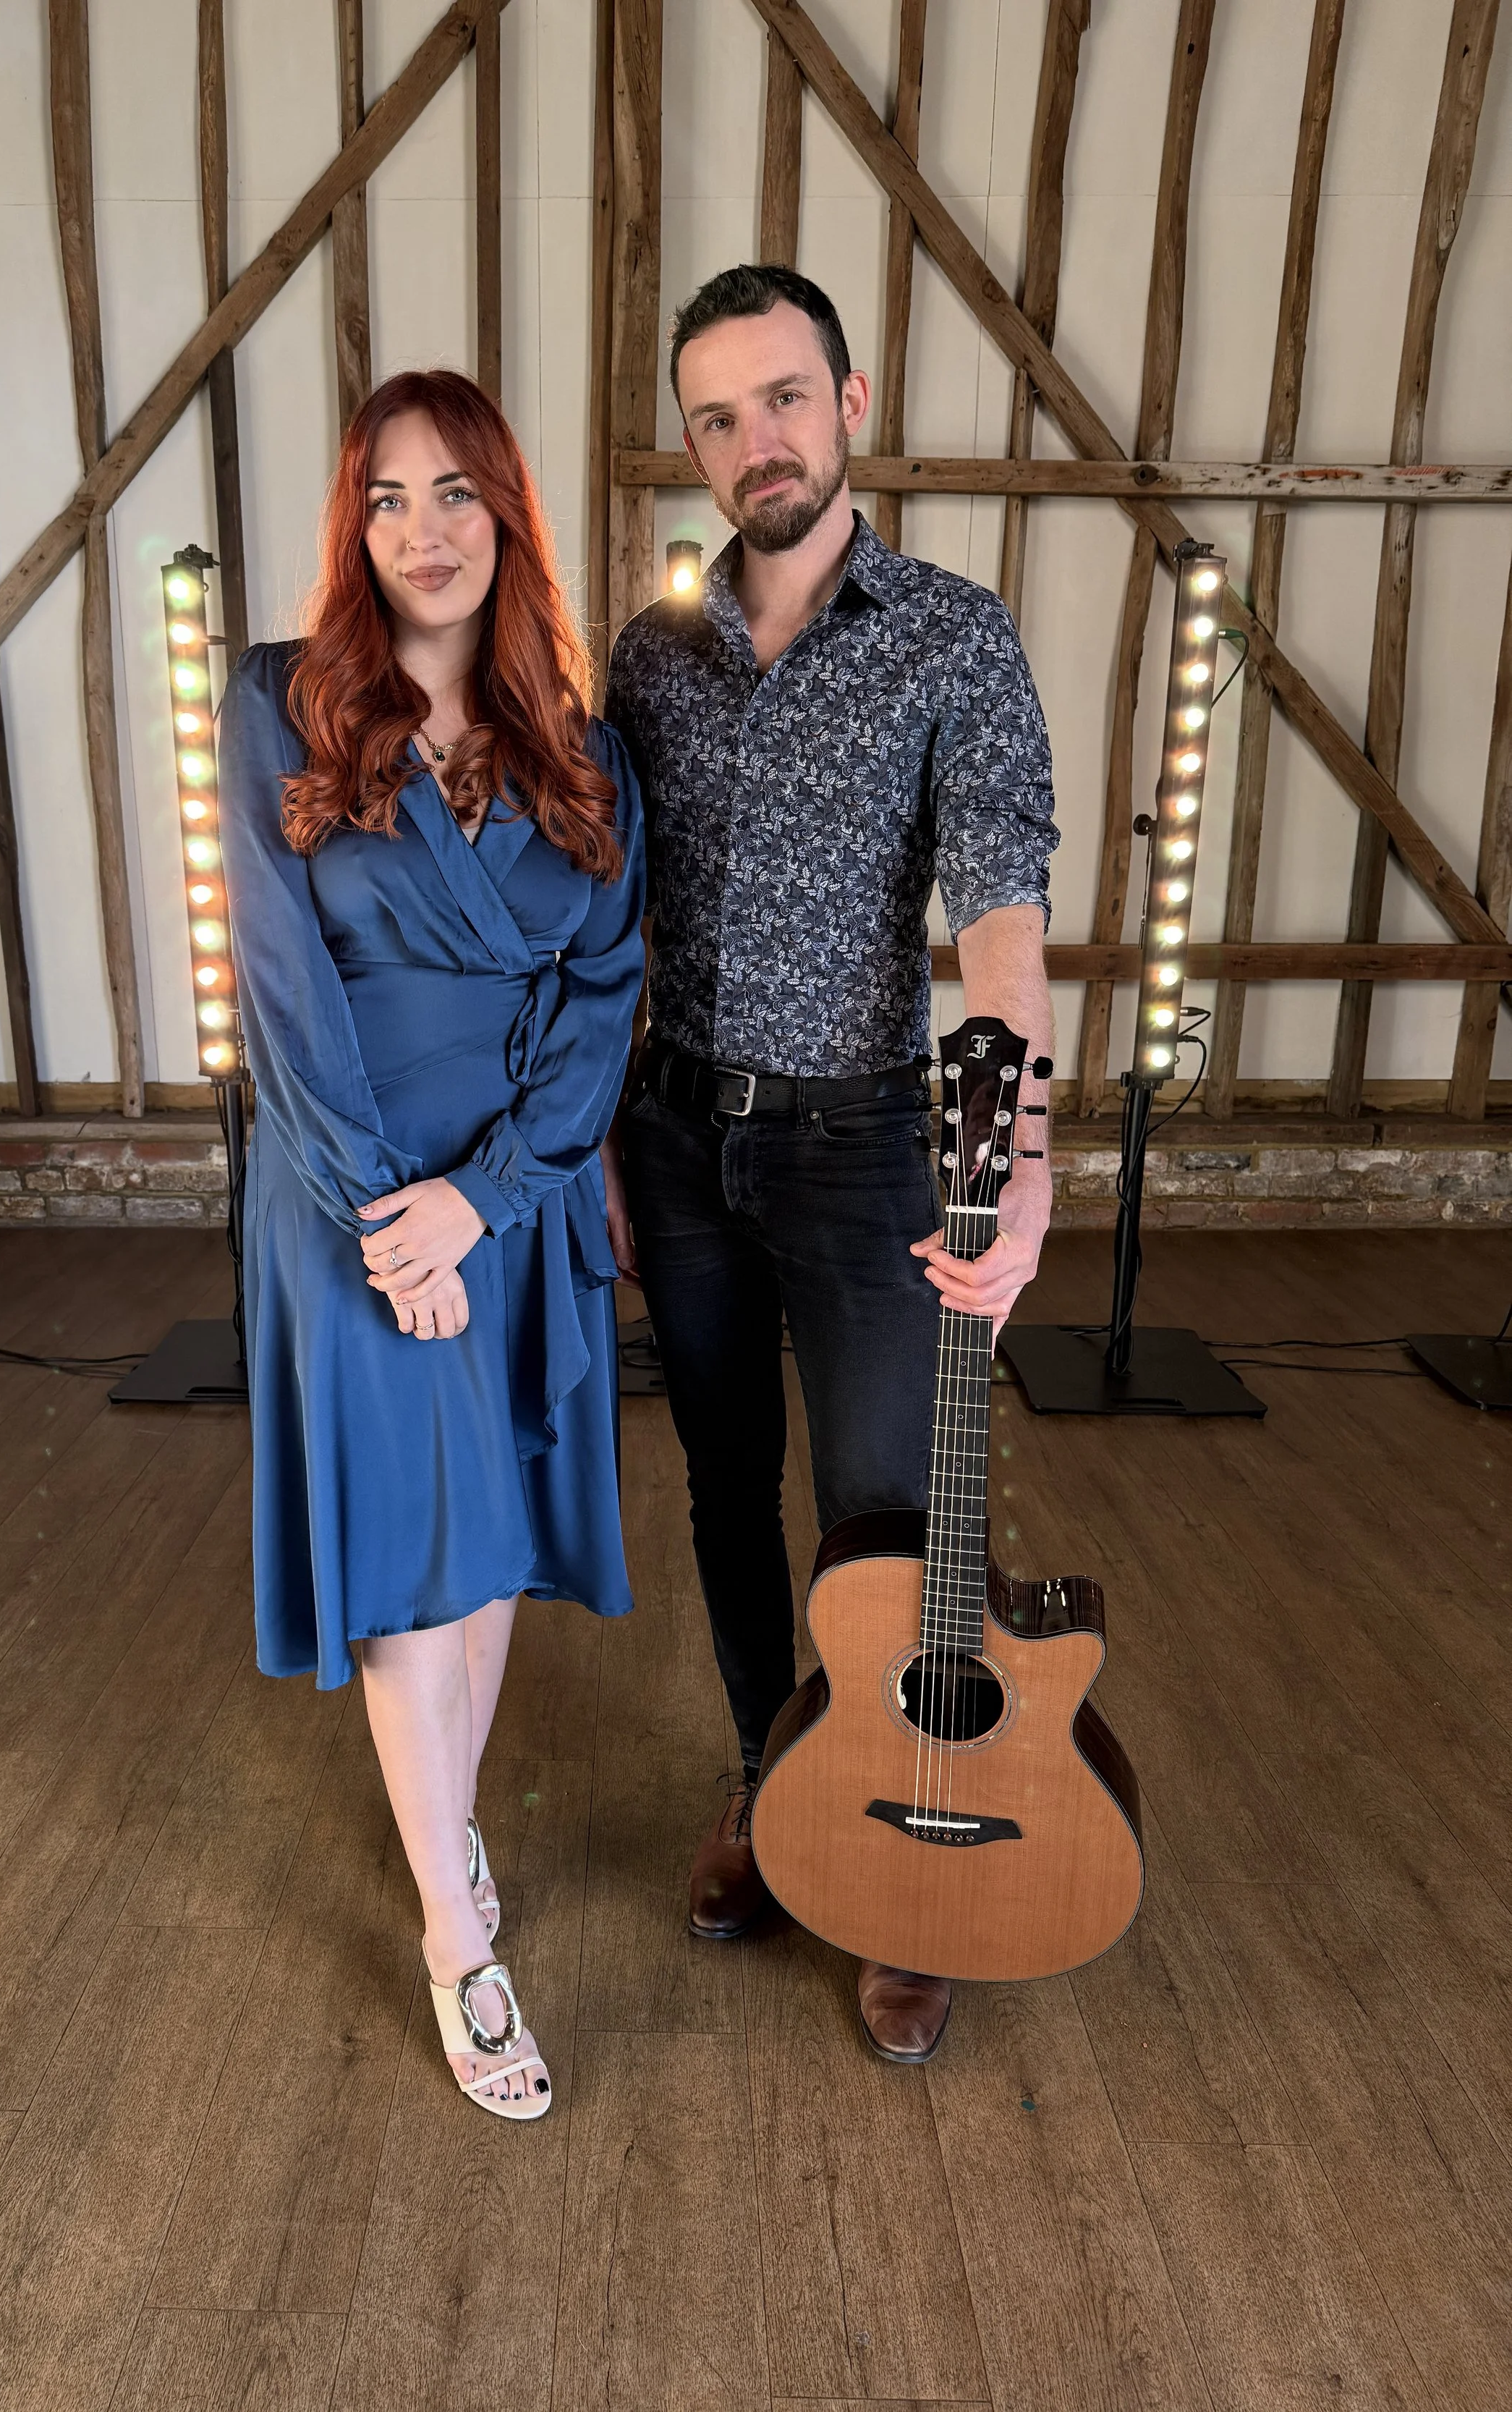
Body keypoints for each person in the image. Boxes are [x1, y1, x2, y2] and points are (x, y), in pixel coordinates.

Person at [604, 263, 1058, 2065]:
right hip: (676, 1126)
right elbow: (606, 917)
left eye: (781, 398)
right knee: (723, 1490)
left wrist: (1014, 1158)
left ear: (851, 399)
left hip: (874, 1135)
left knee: (878, 1525)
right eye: (716, 417)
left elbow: (1002, 911)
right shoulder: (650, 652)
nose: (752, 444)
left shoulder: (953, 635)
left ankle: (900, 1850)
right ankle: (762, 1781)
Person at [218, 368, 645, 2122]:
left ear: (505, 517)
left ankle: (442, 1823)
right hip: (348, 1200)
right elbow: (279, 977)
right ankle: (454, 1933)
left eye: (455, 492)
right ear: (353, 527)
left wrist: (493, 1191)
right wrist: (393, 1217)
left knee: (489, 1558)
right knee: (413, 1566)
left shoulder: (583, 754)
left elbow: (602, 990)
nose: (423, 531)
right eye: (387, 498)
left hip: (514, 1200)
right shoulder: (280, 705)